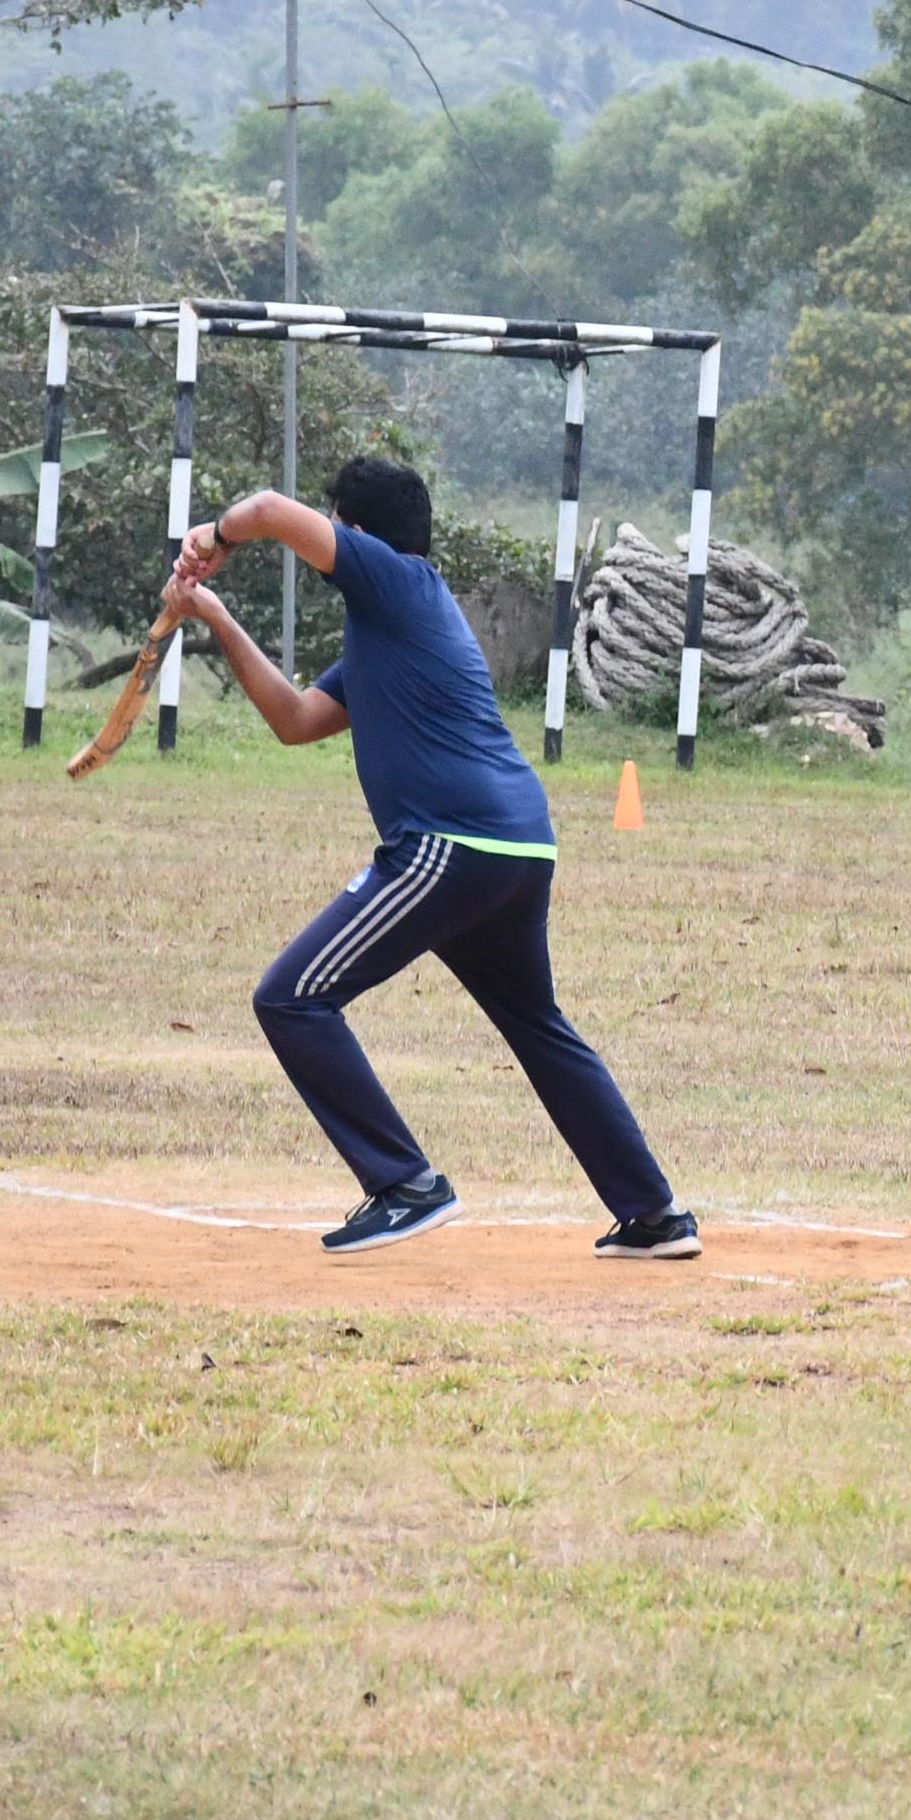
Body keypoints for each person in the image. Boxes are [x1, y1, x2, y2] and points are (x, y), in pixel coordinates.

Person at [160, 456, 701, 1260]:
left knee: (291, 998)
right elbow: (298, 720)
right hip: (515, 844)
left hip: (453, 843)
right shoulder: (394, 624)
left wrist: (214, 535)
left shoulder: (393, 579)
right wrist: (213, 613)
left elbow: (269, 508)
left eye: (337, 526)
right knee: (537, 1025)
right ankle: (654, 1213)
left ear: (356, 532)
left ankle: (405, 1183)